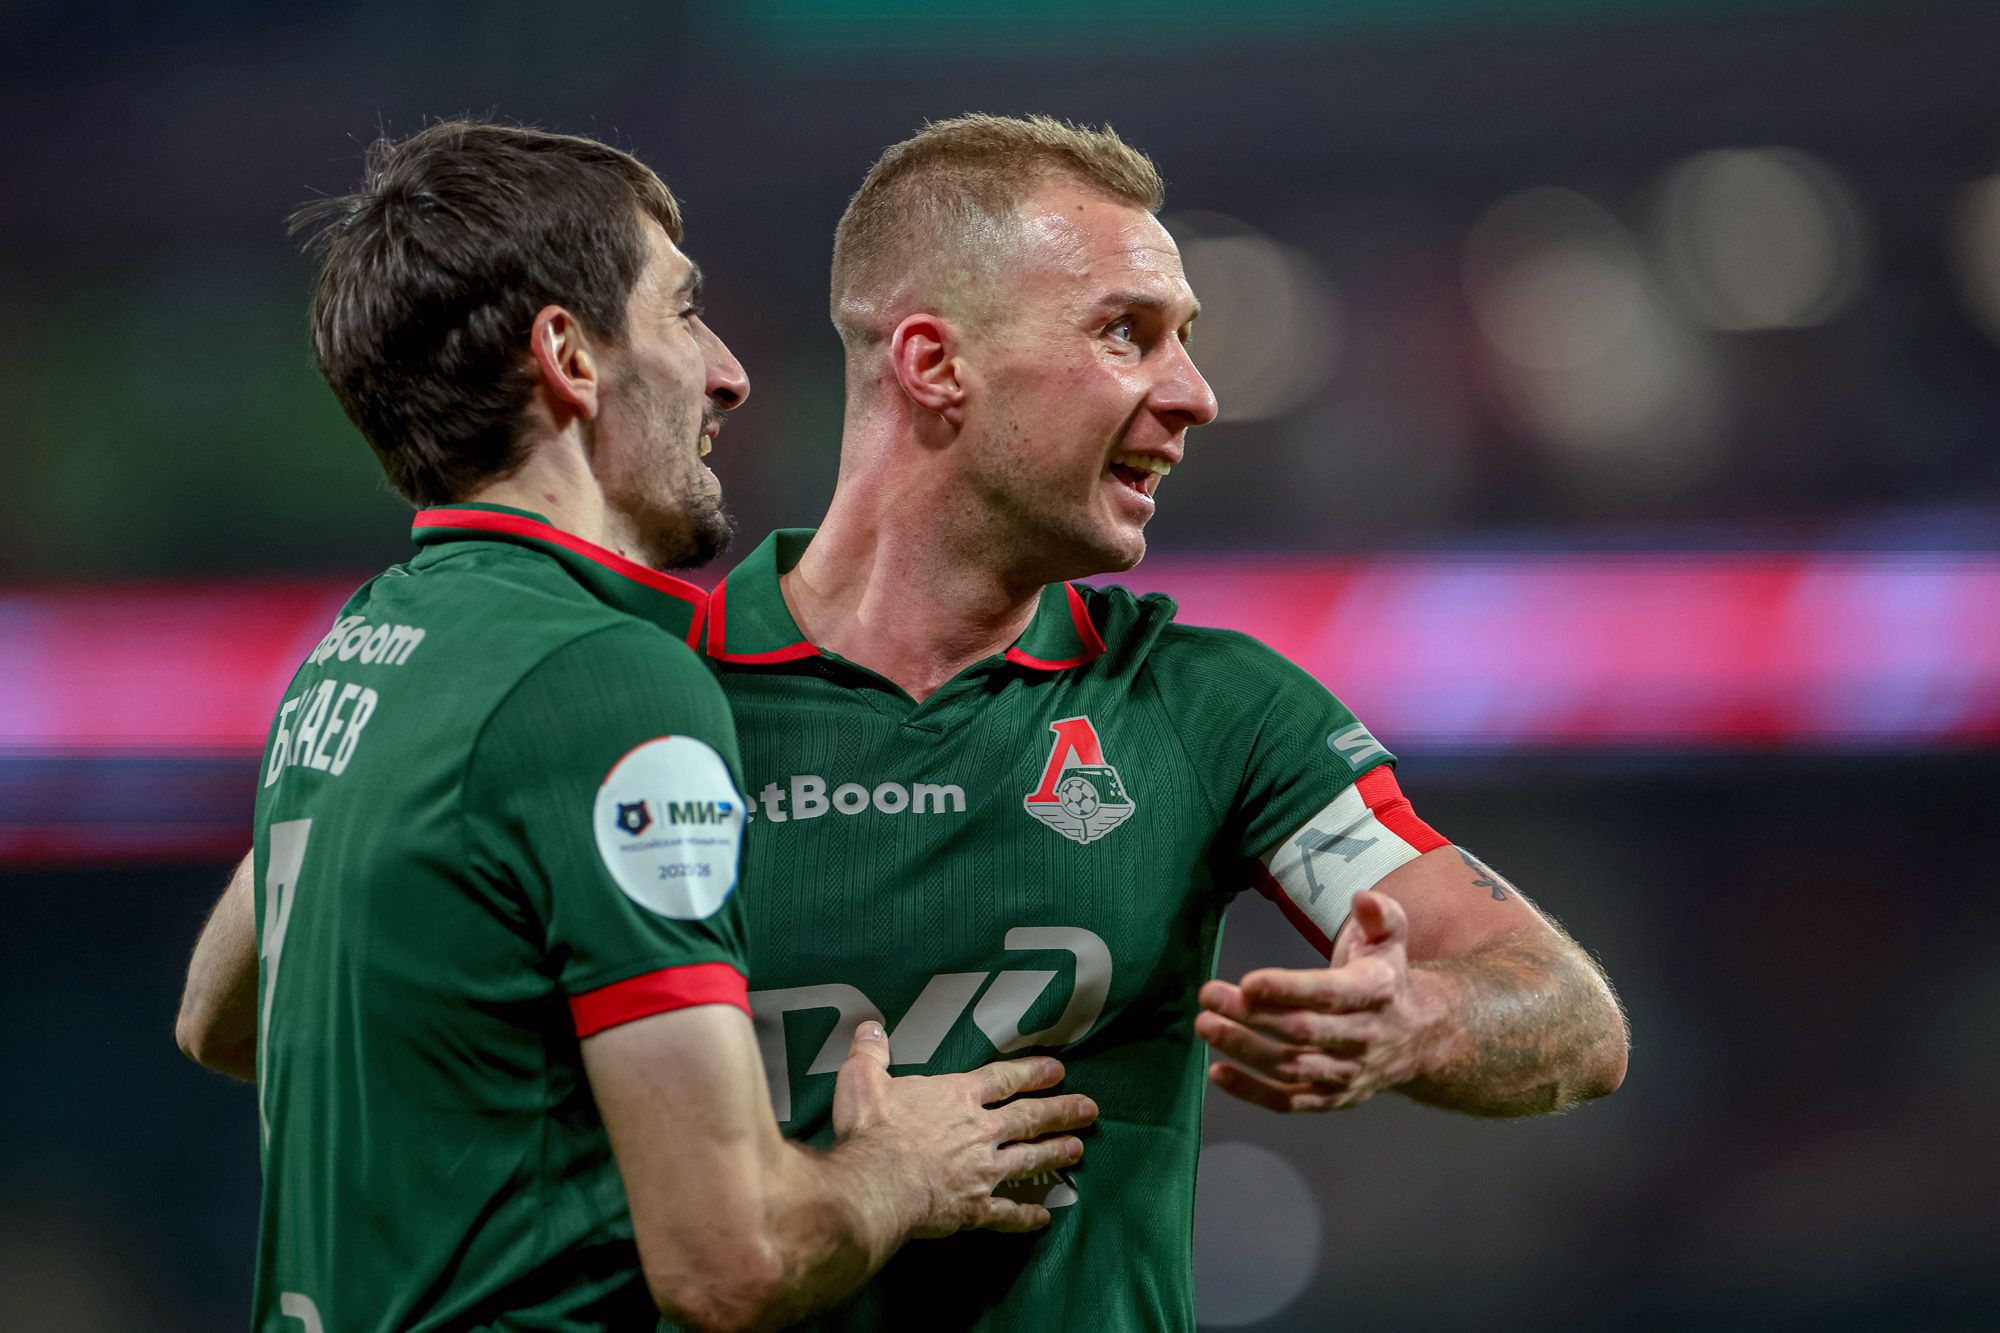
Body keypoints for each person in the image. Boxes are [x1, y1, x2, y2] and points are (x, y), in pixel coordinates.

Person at [701, 114, 1631, 1330]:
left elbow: (1569, 1013)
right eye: (1122, 334)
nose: (1193, 394)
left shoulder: (1204, 708)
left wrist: (1417, 1021)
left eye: (1182, 340)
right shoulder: (647, 699)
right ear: (933, 363)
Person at [173, 119, 1097, 1333]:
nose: (726, 371)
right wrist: (903, 1165)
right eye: (683, 312)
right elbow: (731, 1266)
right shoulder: (605, 683)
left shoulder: (363, 647)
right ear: (569, 355)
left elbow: (219, 1016)